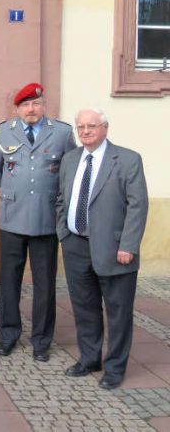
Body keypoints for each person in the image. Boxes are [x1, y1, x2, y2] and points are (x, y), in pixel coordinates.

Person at [56, 108, 148, 390]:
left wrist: (128, 245)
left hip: (115, 249)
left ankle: (115, 367)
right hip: (75, 245)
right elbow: (62, 198)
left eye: (91, 126)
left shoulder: (128, 159)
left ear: (105, 128)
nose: (85, 131)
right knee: (84, 308)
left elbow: (138, 206)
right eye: (80, 127)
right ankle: (90, 358)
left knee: (118, 311)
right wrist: (64, 232)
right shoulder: (71, 159)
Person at [0, 82, 76, 361]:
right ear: (17, 108)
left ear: (43, 105)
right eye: (26, 105)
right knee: (9, 282)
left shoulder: (62, 133)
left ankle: (41, 341)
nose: (31, 109)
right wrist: (15, 195)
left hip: (45, 219)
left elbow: (68, 172)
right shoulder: (3, 132)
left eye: (36, 104)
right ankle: (8, 335)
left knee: (45, 284)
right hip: (13, 219)